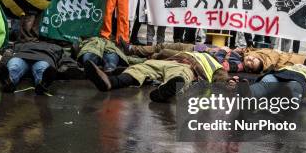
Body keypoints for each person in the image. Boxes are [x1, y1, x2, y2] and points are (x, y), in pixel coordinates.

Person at [84, 50, 229, 102]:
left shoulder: (217, 65)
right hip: (168, 62)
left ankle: (165, 91)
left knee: (180, 75)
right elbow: (167, 51)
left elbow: (222, 79)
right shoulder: (192, 51)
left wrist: (230, 85)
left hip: (188, 69)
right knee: (141, 67)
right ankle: (110, 82)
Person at [0, 41, 65, 94]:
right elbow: (64, 59)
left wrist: (3, 62)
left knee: (14, 67)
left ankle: (8, 81)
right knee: (41, 70)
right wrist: (62, 70)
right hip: (43, 58)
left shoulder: (21, 44)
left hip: (22, 56)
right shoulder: (56, 47)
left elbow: (8, 52)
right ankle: (42, 84)